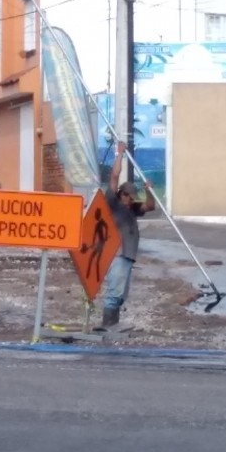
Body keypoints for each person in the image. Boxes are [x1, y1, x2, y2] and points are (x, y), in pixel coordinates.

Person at [101, 141, 156, 330]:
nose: (130, 199)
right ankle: (108, 324)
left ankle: (113, 323)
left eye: (132, 197)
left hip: (128, 256)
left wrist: (149, 192)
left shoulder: (132, 208)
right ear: (121, 194)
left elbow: (150, 206)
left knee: (121, 294)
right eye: (128, 196)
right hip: (117, 254)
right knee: (114, 291)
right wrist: (120, 154)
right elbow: (114, 176)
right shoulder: (112, 203)